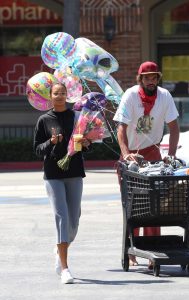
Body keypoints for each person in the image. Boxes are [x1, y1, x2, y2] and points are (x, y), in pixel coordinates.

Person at [113, 61, 179, 267]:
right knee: (132, 205)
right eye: (147, 77)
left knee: (154, 206)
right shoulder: (131, 95)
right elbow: (121, 128)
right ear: (140, 79)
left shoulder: (165, 96)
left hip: (153, 154)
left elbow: (174, 128)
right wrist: (125, 154)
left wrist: (172, 156)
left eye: (154, 77)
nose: (151, 81)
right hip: (132, 156)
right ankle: (131, 249)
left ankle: (153, 248)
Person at [34, 83, 90, 284]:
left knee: (73, 222)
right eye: (56, 93)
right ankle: (65, 268)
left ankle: (60, 248)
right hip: (53, 175)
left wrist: (86, 142)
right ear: (50, 96)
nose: (59, 96)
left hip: (75, 172)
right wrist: (51, 142)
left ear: (68, 95)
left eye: (63, 93)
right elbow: (37, 149)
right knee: (61, 218)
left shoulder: (76, 117)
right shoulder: (44, 120)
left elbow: (84, 145)